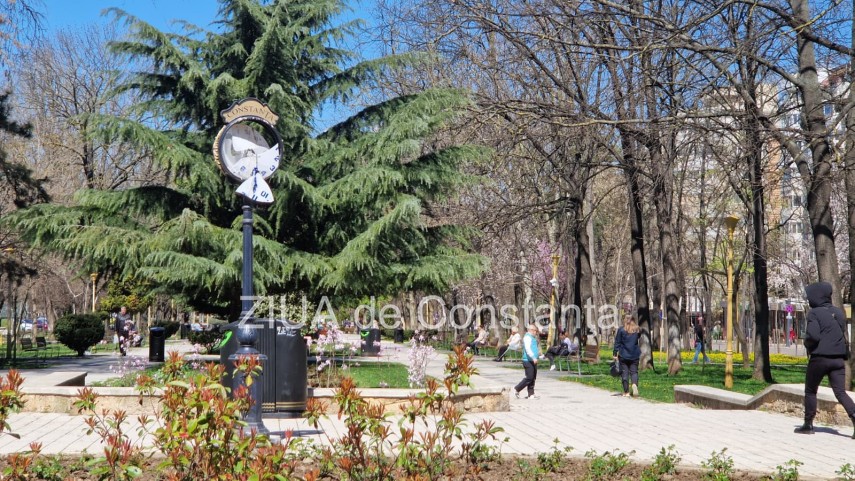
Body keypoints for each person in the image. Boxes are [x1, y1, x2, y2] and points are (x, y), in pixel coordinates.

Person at [794, 281, 855, 436]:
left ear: (816, 296)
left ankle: (808, 424)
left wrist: (808, 345)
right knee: (840, 392)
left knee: (810, 390)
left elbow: (813, 336)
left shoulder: (814, 313)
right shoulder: (839, 313)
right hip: (838, 359)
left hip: (819, 358)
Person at [613, 315, 641, 397]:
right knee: (634, 372)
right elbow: (638, 338)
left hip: (623, 355)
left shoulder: (621, 330)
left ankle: (626, 392)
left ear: (625, 320)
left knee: (624, 373)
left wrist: (615, 353)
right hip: (635, 355)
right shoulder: (637, 330)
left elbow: (617, 342)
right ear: (633, 320)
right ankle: (634, 384)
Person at [514, 324, 541, 399]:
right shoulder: (527, 338)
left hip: (533, 360)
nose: (536, 332)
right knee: (529, 377)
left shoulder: (532, 338)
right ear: (531, 330)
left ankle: (531, 394)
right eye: (535, 331)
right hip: (528, 360)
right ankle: (517, 389)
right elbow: (528, 349)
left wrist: (539, 356)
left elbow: (534, 348)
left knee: (533, 377)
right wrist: (533, 357)